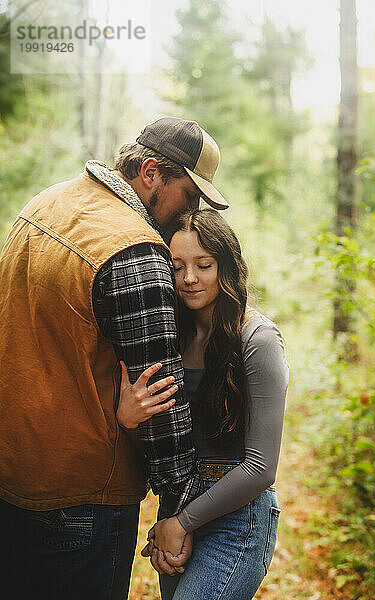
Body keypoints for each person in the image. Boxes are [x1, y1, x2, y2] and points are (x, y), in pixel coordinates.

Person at [0, 117, 229, 600]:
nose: (189, 213)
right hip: (83, 496)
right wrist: (180, 510)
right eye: (189, 196)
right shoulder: (135, 250)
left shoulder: (48, 202)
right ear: (150, 172)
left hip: (13, 474)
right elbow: (160, 399)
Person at [118, 209, 289, 600]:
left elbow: (261, 468)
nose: (189, 278)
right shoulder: (169, 338)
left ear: (226, 266)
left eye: (204, 264)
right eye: (176, 267)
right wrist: (128, 419)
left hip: (236, 518)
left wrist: (181, 523)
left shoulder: (258, 339)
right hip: (176, 503)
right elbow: (159, 438)